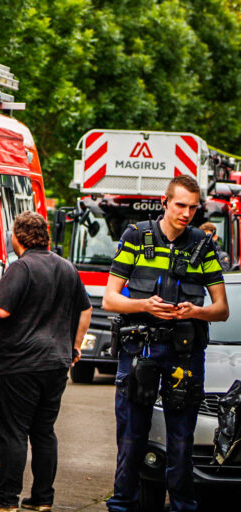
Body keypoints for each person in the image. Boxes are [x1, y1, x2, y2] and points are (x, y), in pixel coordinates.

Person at [103, 175, 229, 512]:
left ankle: (182, 507)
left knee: (181, 443)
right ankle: (122, 506)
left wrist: (197, 310)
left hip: (184, 354)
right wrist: (143, 305)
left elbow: (222, 310)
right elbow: (110, 300)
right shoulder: (136, 236)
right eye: (180, 205)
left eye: (192, 207)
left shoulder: (203, 245)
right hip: (139, 351)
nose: (186, 213)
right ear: (164, 201)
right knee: (130, 439)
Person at [0, 211, 93, 512]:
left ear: (18, 237)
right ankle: (42, 499)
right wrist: (74, 348)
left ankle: (6, 498)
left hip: (19, 364)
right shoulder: (67, 268)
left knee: (13, 432)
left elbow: (1, 310)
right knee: (44, 432)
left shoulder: (21, 267)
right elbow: (86, 310)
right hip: (55, 363)